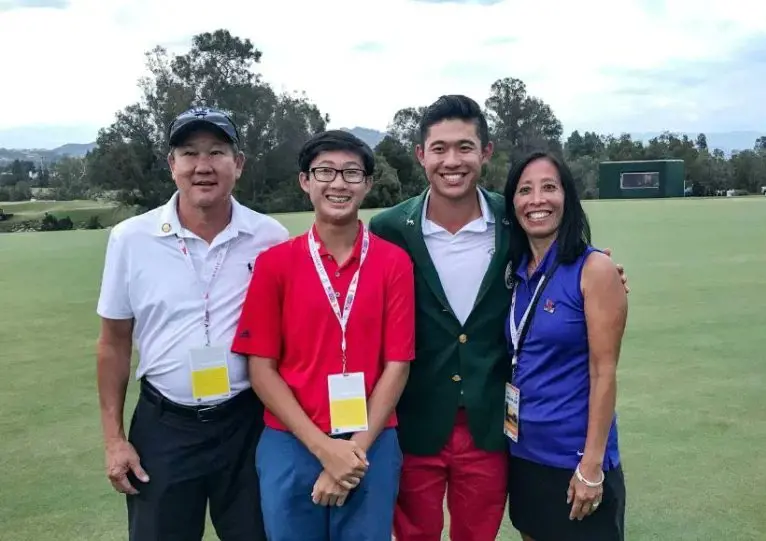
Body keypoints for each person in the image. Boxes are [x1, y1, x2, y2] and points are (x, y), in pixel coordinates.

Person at [368, 95, 630, 541]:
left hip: (492, 425)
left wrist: (602, 269)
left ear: (485, 153)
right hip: (416, 420)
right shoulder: (389, 229)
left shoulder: (512, 221)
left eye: (465, 147)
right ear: (421, 155)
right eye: (440, 148)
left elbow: (560, 262)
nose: (453, 161)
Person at [95, 106, 288, 541]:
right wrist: (114, 440)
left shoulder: (270, 237)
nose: (203, 166)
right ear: (172, 165)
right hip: (164, 428)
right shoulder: (131, 239)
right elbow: (113, 344)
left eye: (217, 152)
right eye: (189, 153)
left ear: (237, 164)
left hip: (247, 426)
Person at [230, 130, 415, 541]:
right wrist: (324, 449)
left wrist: (353, 453)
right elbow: (261, 369)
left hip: (371, 442)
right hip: (291, 444)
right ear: (305, 181)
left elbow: (397, 366)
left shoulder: (393, 262)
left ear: (368, 183)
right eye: (325, 171)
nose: (338, 183)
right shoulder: (275, 263)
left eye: (351, 173)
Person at [502, 150, 628, 541]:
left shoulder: (595, 270)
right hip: (524, 455)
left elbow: (603, 371)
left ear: (567, 198)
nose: (537, 200)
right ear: (513, 204)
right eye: (525, 190)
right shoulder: (515, 272)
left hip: (575, 460)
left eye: (549, 188)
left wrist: (591, 466)